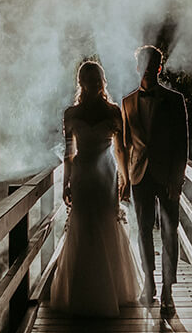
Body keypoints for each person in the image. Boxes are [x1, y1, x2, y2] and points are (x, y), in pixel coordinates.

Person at [49, 60, 141, 317]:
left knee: (96, 222)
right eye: (90, 80)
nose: (92, 84)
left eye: (93, 80)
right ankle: (98, 289)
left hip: (95, 174)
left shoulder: (94, 112)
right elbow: (74, 154)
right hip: (92, 174)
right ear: (87, 82)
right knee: (92, 223)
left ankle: (97, 289)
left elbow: (116, 149)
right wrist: (67, 181)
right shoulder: (93, 112)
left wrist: (125, 179)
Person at [120, 45, 189, 319]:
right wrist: (124, 178)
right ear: (138, 67)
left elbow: (183, 144)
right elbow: (125, 145)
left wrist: (178, 179)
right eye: (144, 64)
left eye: (153, 65)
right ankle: (149, 283)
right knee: (144, 231)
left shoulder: (175, 100)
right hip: (139, 175)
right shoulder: (126, 102)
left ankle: (168, 291)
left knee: (170, 232)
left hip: (167, 176)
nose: (148, 69)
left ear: (159, 67)